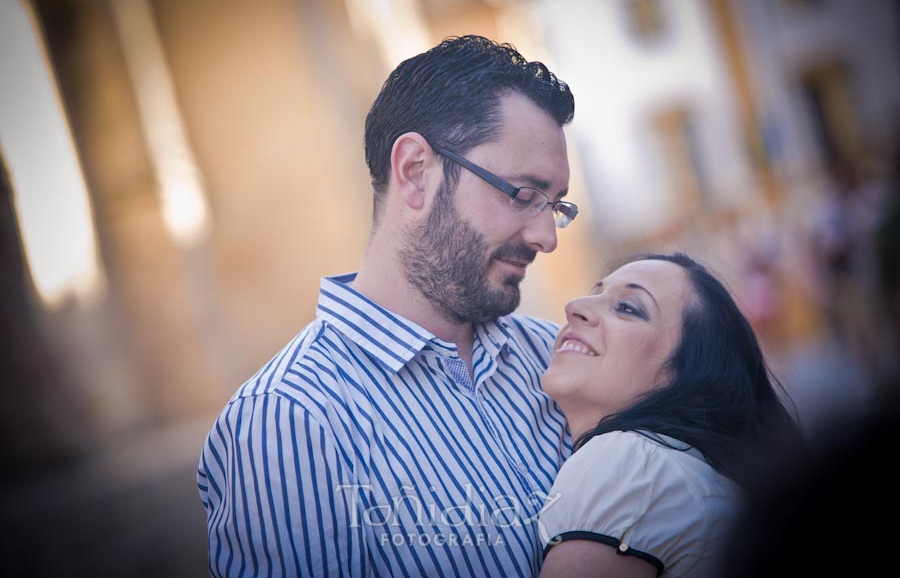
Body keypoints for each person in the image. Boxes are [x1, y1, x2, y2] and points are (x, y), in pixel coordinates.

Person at [198, 35, 577, 577]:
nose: (547, 236)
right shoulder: (288, 422)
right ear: (416, 171)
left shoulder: (558, 359)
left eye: (557, 206)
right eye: (522, 194)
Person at [537, 253, 799, 578]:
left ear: (688, 374)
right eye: (595, 293)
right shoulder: (685, 471)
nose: (575, 306)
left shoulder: (628, 463)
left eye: (628, 307)